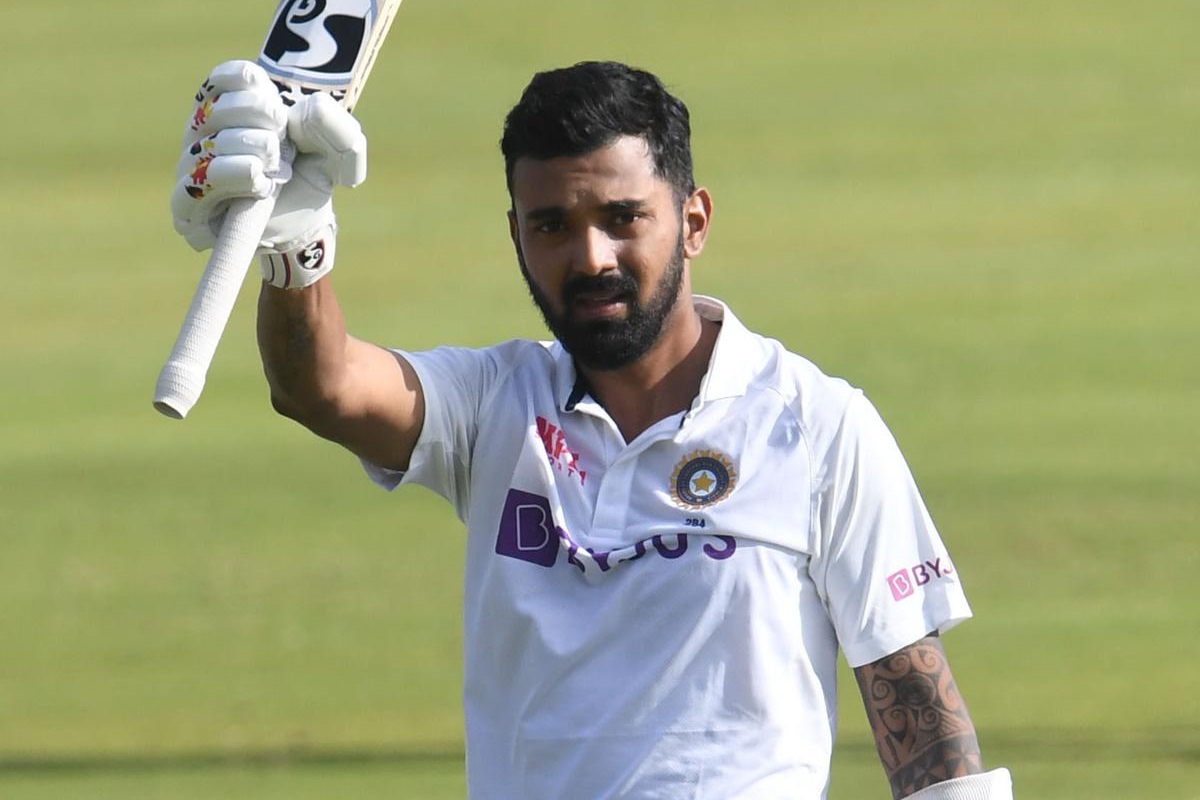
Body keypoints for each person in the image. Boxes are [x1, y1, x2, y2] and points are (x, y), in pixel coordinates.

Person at [172, 58, 1015, 800]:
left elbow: (917, 708)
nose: (590, 258)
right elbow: (320, 387)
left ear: (693, 221)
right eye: (552, 226)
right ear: (515, 237)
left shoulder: (817, 426)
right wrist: (295, 247)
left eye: (622, 217)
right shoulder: (496, 402)